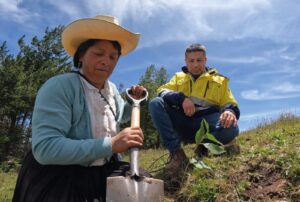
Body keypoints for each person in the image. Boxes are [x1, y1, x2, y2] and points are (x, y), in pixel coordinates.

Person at [13, 15, 148, 202]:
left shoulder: (112, 90)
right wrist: (111, 144)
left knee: (141, 184)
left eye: (112, 57)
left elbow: (118, 115)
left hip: (101, 171)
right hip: (57, 174)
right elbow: (46, 148)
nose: (106, 61)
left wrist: (135, 100)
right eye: (98, 54)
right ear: (81, 55)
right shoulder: (59, 87)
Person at [149, 43, 240, 175]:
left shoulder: (220, 80)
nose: (195, 65)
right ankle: (177, 154)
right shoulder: (178, 77)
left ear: (206, 60)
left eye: (199, 60)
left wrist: (229, 111)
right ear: (186, 61)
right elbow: (161, 91)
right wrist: (181, 99)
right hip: (183, 123)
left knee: (231, 128)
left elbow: (229, 102)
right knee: (155, 103)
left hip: (207, 125)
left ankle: (204, 145)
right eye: (191, 61)